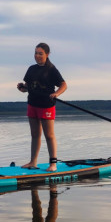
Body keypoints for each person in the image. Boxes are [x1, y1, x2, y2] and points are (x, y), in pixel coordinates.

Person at [17, 42, 67, 172]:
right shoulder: (31, 69)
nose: (37, 56)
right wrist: (22, 88)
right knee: (35, 135)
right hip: (32, 104)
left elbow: (63, 84)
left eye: (40, 53)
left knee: (49, 135)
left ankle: (53, 164)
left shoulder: (51, 69)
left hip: (46, 106)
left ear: (47, 54)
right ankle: (33, 162)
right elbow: (29, 87)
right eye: (36, 53)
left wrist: (56, 93)